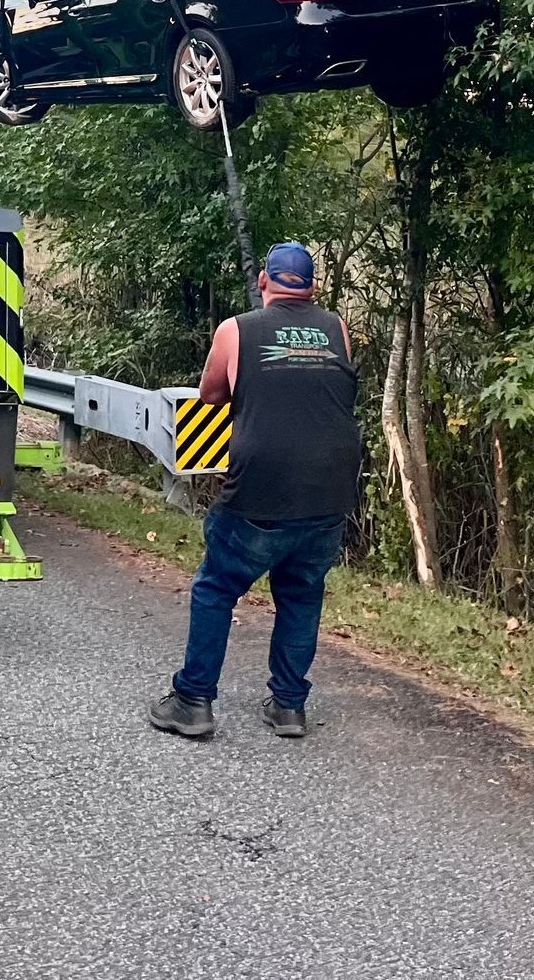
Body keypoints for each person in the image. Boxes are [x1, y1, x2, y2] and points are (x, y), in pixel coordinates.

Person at [148, 240, 361, 743]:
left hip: (261, 488)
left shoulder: (235, 329)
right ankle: (289, 707)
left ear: (264, 280)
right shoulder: (338, 328)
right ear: (312, 287)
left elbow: (211, 394)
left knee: (218, 587)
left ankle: (193, 700)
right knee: (302, 594)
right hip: (330, 489)